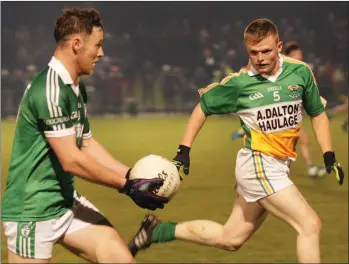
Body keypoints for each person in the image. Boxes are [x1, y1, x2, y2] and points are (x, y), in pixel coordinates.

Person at [128, 18, 344, 263]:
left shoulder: (300, 72)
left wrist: (329, 154)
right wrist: (183, 151)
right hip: (258, 165)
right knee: (310, 224)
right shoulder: (239, 83)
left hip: (279, 166)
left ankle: (156, 231)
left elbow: (317, 113)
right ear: (247, 51)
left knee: (231, 239)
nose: (260, 58)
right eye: (254, 52)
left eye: (266, 51)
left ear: (280, 46)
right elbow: (202, 108)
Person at [1, 8, 167, 264]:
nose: (101, 53)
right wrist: (127, 186)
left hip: (64, 201)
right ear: (77, 44)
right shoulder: (50, 90)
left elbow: (86, 143)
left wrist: (134, 175)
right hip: (32, 210)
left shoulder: (74, 87)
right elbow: (72, 159)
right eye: (98, 45)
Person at [232, 40, 327, 178]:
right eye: (296, 54)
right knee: (286, 143)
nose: (299, 57)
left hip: (289, 116)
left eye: (300, 54)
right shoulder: (279, 70)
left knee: (300, 141)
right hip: (282, 116)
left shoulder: (300, 71)